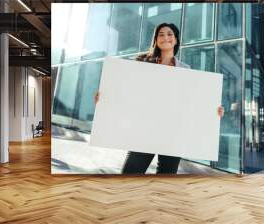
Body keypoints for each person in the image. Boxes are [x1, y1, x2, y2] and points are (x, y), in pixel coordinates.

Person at [95, 23, 224, 174]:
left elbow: (191, 104)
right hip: (144, 130)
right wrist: (105, 98)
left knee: (166, 179)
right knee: (129, 174)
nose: (165, 37)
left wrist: (213, 111)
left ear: (176, 40)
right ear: (156, 40)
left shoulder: (186, 70)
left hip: (172, 133)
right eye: (161, 34)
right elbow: (127, 92)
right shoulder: (142, 63)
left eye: (170, 34)